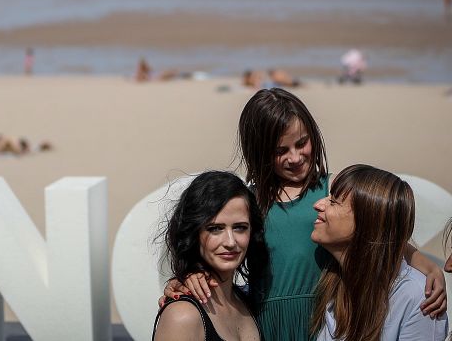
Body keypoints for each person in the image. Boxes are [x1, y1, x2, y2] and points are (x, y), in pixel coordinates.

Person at [162, 88, 447, 340]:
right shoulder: (251, 202)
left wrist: (427, 265)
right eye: (280, 150)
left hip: (325, 316)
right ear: (259, 152)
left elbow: (378, 234)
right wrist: (189, 276)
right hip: (265, 321)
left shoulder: (332, 191)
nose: (295, 157)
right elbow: (222, 248)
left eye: (302, 143)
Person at [310, 164, 448, 340]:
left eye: (334, 201)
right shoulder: (337, 282)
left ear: (367, 221)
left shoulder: (419, 299)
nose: (317, 205)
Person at [153, 171, 266, 341]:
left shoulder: (249, 301)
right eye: (215, 228)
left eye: (240, 227)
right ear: (193, 233)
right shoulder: (182, 316)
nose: (230, 241)